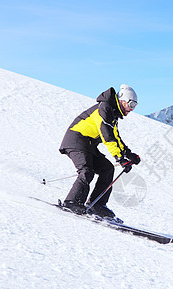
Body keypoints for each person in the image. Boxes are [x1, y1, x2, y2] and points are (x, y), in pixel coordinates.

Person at [59, 84, 141, 218]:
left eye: (135, 106)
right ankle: (72, 202)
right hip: (76, 139)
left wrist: (128, 154)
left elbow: (116, 137)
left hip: (88, 144)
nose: (132, 109)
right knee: (87, 171)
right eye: (131, 105)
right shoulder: (104, 109)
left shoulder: (112, 113)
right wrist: (120, 159)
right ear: (122, 100)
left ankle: (97, 205)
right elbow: (108, 137)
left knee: (107, 168)